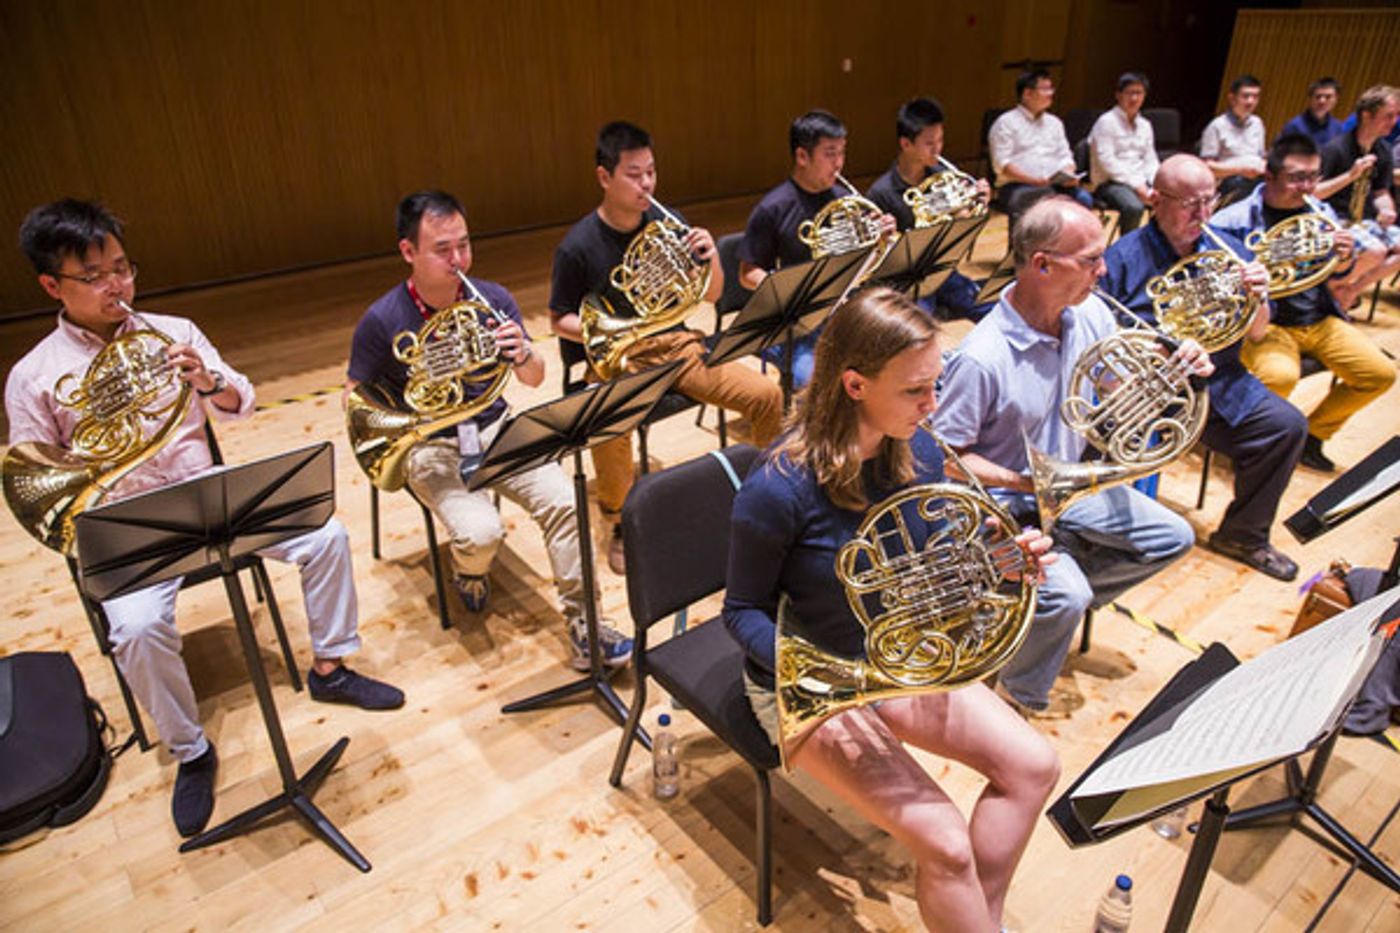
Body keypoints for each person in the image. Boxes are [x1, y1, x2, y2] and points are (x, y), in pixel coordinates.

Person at [5, 199, 404, 838]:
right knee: (134, 629)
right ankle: (191, 749)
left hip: (208, 492)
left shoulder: (173, 330)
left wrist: (209, 380)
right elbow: (37, 473)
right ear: (53, 285)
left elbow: (240, 404)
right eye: (96, 275)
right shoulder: (34, 377)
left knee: (326, 533)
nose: (118, 285)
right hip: (128, 519)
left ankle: (330, 667)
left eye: (122, 268)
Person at [722, 286, 1059, 933]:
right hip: (808, 682)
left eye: (935, 384)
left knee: (1034, 765)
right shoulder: (778, 486)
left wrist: (1003, 564)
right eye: (915, 391)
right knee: (947, 843)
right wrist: (823, 673)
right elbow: (740, 612)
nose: (933, 405)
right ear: (853, 383)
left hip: (888, 660)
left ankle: (976, 920)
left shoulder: (921, 452)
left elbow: (934, 568)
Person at [934, 197, 1203, 715]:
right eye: (1091, 260)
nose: (1104, 271)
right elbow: (949, 457)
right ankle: (1016, 696)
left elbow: (1118, 385)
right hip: (996, 507)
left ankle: (1025, 609)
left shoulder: (1090, 312)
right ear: (1042, 265)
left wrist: (1173, 374)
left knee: (1173, 536)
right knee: (1068, 596)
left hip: (1069, 488)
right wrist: (1023, 483)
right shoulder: (982, 358)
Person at [347, 190, 630, 669]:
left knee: (565, 502)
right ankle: (469, 573)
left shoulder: (491, 299)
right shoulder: (383, 319)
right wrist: (408, 417)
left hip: (495, 427)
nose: (458, 259)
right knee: (481, 534)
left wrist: (522, 352)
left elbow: (535, 377)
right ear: (408, 252)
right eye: (442, 249)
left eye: (464, 244)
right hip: (430, 444)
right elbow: (355, 397)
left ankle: (587, 625)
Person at [550, 121, 782, 573]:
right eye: (634, 175)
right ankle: (618, 522)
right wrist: (610, 332)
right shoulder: (577, 246)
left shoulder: (667, 222)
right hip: (617, 356)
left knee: (767, 395)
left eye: (651, 172)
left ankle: (766, 491)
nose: (647, 184)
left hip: (676, 344)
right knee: (609, 422)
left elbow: (713, 295)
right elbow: (559, 319)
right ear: (604, 178)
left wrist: (712, 255)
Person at [1102, 155, 1306, 581]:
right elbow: (1104, 342)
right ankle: (1105, 542)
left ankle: (1243, 535)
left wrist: (1258, 297)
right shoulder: (1121, 258)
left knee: (1286, 427)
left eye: (1208, 200)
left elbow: (1256, 333)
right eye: (1188, 203)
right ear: (1156, 200)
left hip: (1220, 382)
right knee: (1100, 438)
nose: (1202, 213)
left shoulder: (1227, 247)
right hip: (1148, 391)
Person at [1213, 134, 1396, 473]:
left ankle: (1313, 435)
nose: (1307, 186)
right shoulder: (1233, 221)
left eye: (1313, 176)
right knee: (1279, 377)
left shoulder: (1321, 212)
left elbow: (1336, 274)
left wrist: (1343, 258)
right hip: (1267, 324)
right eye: (1297, 178)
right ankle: (1253, 444)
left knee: (1379, 373)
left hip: (1318, 317)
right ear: (1269, 176)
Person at [739, 109, 896, 387]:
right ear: (802, 156)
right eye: (830, 154)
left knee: (891, 364)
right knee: (821, 384)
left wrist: (880, 239)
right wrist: (791, 290)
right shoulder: (773, 207)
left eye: (842, 153)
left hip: (844, 311)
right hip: (795, 324)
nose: (839, 164)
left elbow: (864, 263)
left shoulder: (845, 199)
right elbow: (747, 273)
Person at [866, 96, 990, 321]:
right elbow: (878, 258)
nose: (938, 149)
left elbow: (960, 222)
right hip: (905, 280)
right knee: (918, 326)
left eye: (940, 140)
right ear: (906, 144)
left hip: (939, 268)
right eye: (930, 143)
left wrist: (977, 202)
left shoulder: (941, 177)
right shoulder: (881, 192)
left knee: (986, 304)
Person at [1318, 85, 1400, 296]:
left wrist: (1387, 210)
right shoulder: (1335, 149)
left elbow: (1381, 192)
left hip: (1366, 220)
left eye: (1396, 116)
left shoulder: (1383, 150)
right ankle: (1328, 291)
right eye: (1388, 116)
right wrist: (1350, 176)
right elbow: (1314, 194)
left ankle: (1348, 291)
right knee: (1376, 251)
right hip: (1336, 219)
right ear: (1366, 115)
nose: (1394, 122)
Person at [988, 69, 1094, 219]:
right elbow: (1002, 164)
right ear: (1027, 94)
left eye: (1051, 88)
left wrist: (1068, 175)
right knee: (1041, 199)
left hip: (1054, 184)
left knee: (1084, 199)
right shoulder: (1006, 123)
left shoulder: (1055, 123)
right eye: (1045, 89)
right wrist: (1035, 181)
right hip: (1018, 185)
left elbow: (1065, 156)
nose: (1051, 93)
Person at [1088, 72, 1159, 233]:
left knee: (1169, 200)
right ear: (1118, 95)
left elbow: (1150, 159)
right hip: (1111, 182)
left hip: (1140, 181)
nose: (1134, 98)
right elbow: (1108, 163)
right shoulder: (1106, 122)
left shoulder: (1145, 125)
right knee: (1133, 207)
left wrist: (1157, 184)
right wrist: (1139, 187)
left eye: (1139, 93)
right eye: (1129, 93)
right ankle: (1126, 251)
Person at [1201, 74, 1267, 202]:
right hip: (1228, 183)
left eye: (1255, 97)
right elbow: (1207, 167)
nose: (1251, 102)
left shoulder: (1257, 123)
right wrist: (1240, 170)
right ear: (1232, 98)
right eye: (1246, 96)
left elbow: (1261, 156)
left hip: (1254, 179)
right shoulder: (1217, 126)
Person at [1279, 77, 1345, 148]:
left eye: (1328, 97)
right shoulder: (1295, 126)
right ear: (1310, 99)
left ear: (1336, 99)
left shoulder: (1337, 128)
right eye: (1318, 96)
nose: (1322, 101)